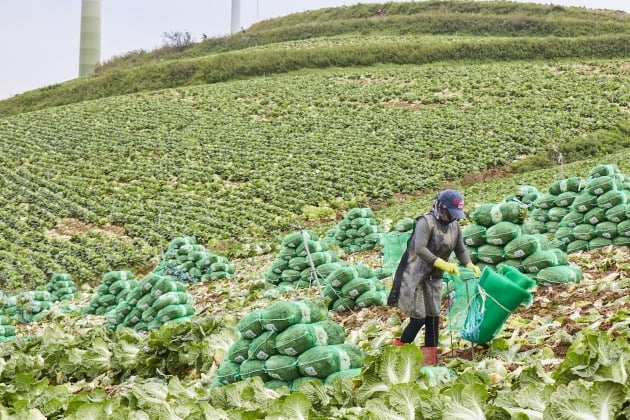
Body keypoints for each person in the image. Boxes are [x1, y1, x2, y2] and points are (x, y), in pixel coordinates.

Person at [387, 189, 481, 365]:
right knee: (419, 317)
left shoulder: (454, 226)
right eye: (449, 214)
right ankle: (396, 352)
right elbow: (420, 248)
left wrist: (468, 264)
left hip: (434, 278)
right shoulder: (426, 222)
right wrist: (442, 263)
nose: (452, 218)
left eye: (455, 215)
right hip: (414, 275)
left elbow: (460, 249)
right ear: (440, 207)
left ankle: (429, 361)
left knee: (433, 317)